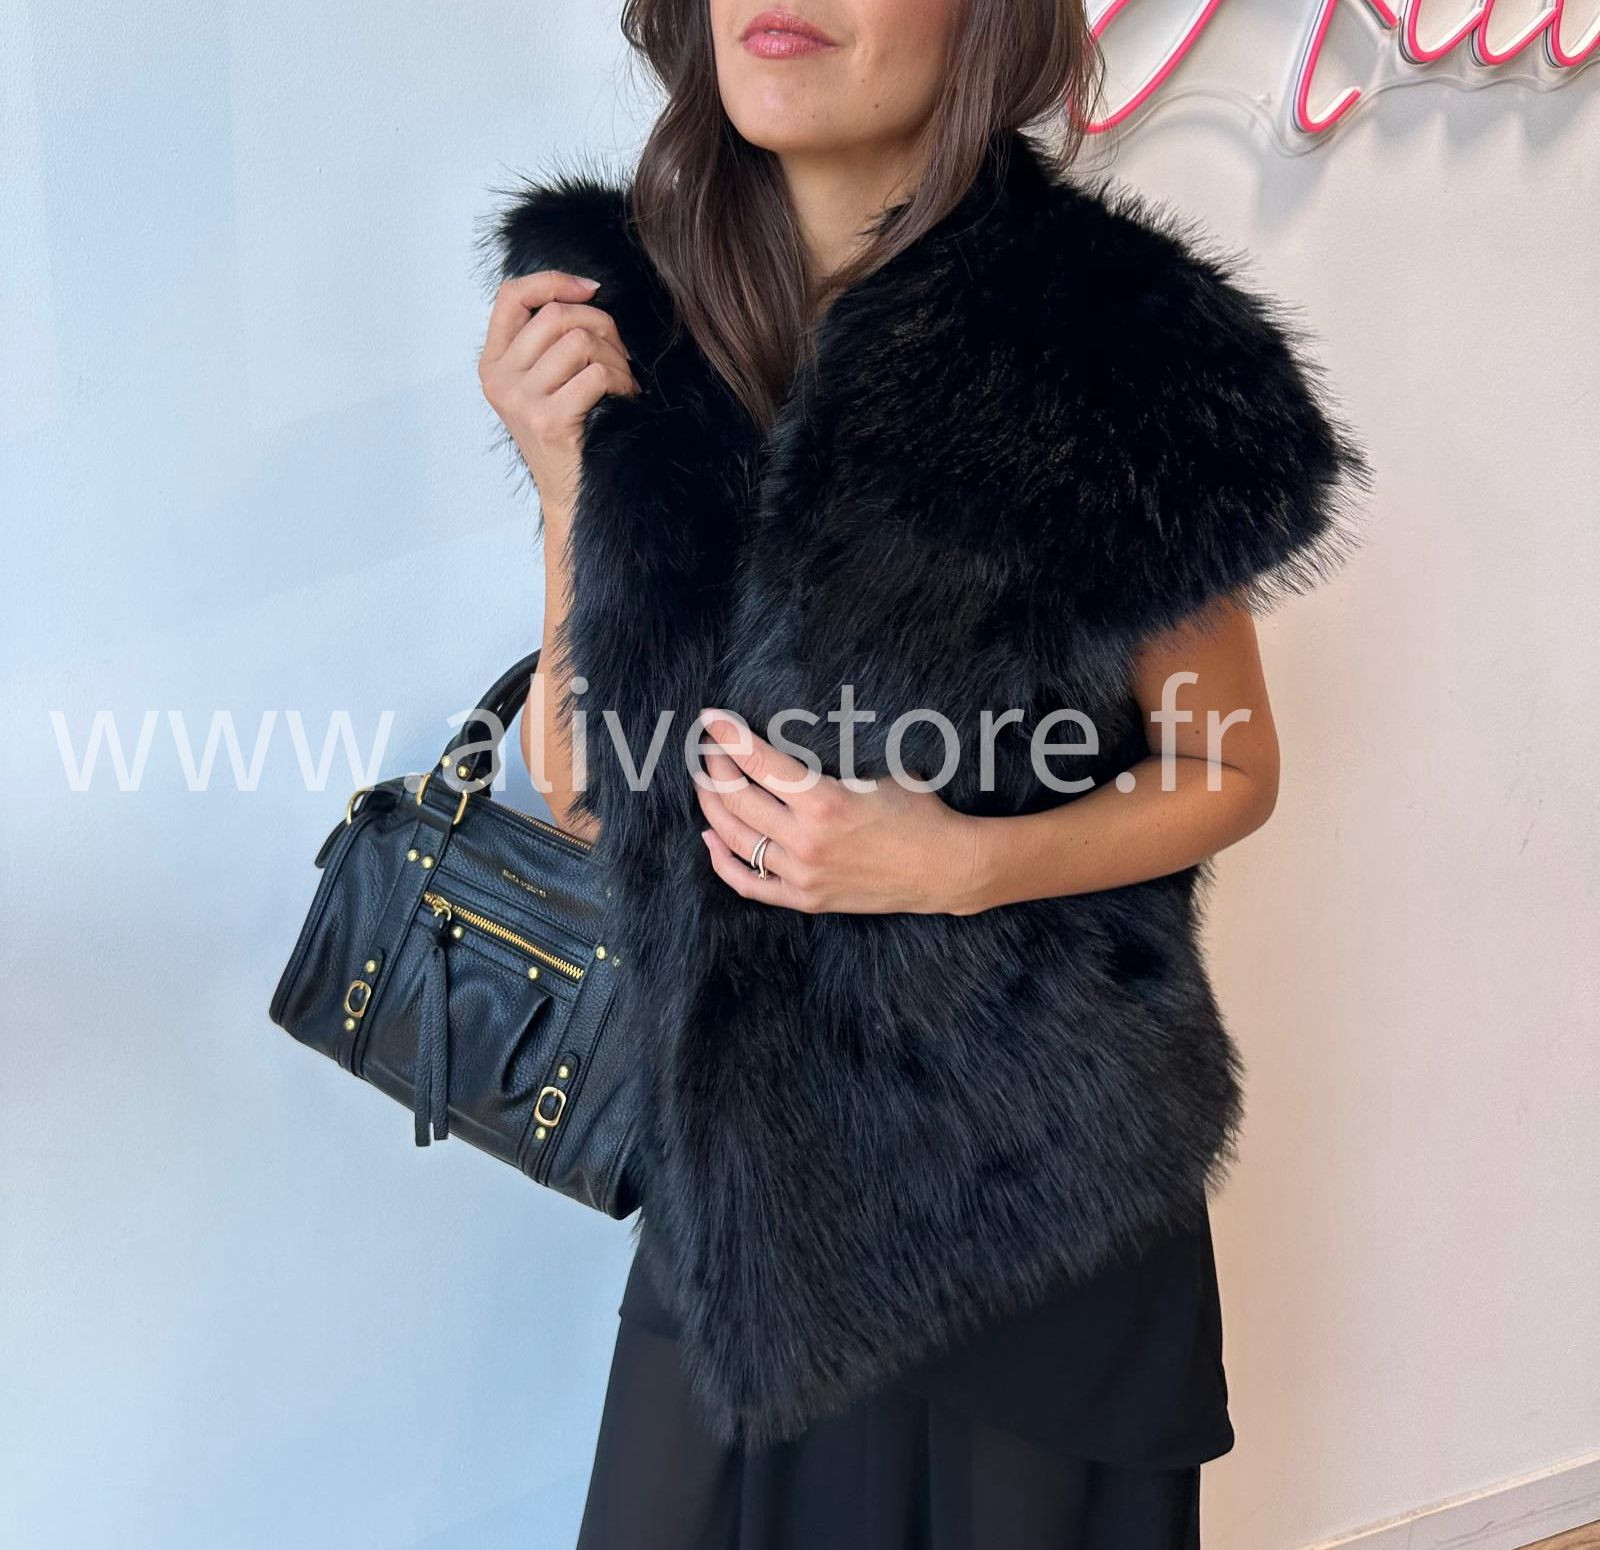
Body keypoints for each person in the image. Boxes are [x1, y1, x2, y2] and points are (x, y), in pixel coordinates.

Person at [475, 2, 1372, 1546]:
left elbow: (1227, 765)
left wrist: (953, 859)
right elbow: (585, 791)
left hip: (1033, 1204)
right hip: (747, 1207)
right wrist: (572, 493)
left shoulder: (1110, 341)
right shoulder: (625, 320)